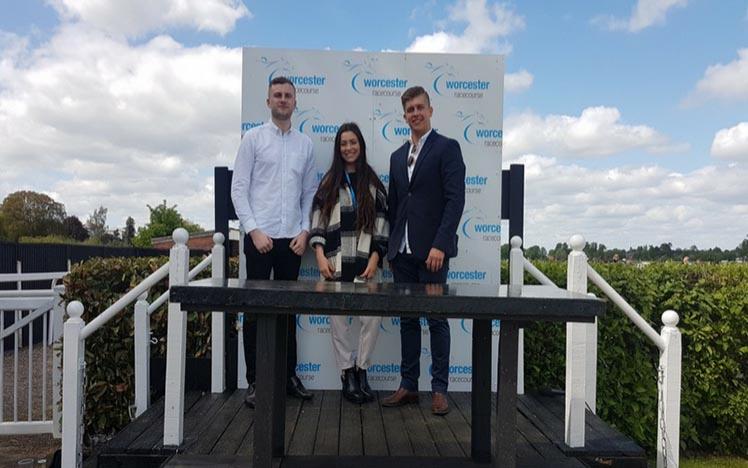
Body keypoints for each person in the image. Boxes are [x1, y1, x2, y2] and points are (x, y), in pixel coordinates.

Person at [230, 76, 317, 408]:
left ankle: (288, 377)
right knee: (254, 313)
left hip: (292, 241)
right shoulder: (252, 140)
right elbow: (239, 189)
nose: (283, 100)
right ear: (268, 102)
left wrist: (305, 231)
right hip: (259, 238)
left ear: (296, 102)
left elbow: (309, 192)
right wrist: (253, 230)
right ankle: (256, 381)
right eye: (277, 95)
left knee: (288, 312)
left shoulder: (305, 145)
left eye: (288, 95)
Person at [381, 86, 466, 415]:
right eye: (409, 110)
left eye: (420, 107)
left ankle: (440, 389)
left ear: (431, 110)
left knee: (437, 319)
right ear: (404, 116)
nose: (415, 113)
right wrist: (390, 248)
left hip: (433, 253)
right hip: (401, 254)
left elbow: (455, 200)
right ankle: (408, 385)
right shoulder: (396, 157)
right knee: (407, 321)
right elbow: (396, 205)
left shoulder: (448, 148)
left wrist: (440, 245)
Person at [309, 122, 389, 404]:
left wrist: (376, 258)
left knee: (371, 320)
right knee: (339, 323)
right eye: (343, 143)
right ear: (338, 148)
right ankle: (346, 373)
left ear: (361, 145)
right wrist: (319, 255)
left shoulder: (373, 183)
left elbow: (382, 224)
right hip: (335, 264)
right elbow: (318, 221)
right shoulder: (329, 182)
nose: (348, 147)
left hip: (367, 265)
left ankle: (362, 369)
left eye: (353, 142)